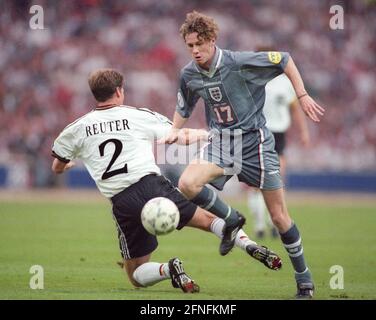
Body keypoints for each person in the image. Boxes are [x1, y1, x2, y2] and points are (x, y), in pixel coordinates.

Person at [51, 68, 282, 294]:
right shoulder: (138, 116)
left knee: (136, 275)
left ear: (95, 94)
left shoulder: (76, 129)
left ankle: (168, 268)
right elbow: (179, 137)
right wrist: (208, 134)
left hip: (123, 201)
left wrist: (66, 164)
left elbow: (58, 166)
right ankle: (249, 245)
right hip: (152, 187)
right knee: (209, 221)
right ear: (120, 91)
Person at [159, 11, 325, 298]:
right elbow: (184, 106)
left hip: (255, 144)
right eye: (190, 46)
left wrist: (302, 94)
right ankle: (232, 218)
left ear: (212, 40)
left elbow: (284, 59)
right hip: (222, 142)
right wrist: (174, 130)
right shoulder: (188, 73)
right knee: (187, 184)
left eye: (199, 44)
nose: (195, 50)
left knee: (279, 217)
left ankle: (304, 280)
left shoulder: (238, 62)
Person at [249, 47, 311, 239]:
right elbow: (295, 109)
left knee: (260, 183)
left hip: (268, 134)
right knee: (273, 181)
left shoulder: (254, 80)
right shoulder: (279, 82)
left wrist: (303, 131)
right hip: (263, 132)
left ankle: (265, 223)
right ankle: (267, 223)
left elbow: (294, 110)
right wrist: (303, 132)